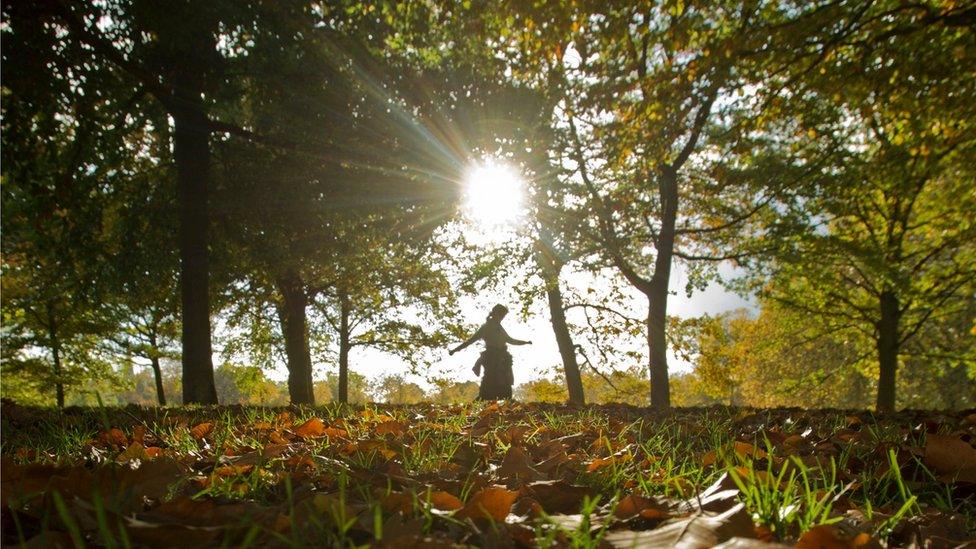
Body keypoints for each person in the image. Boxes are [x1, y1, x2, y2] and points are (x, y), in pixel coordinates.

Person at [449, 304, 531, 400]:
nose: (502, 318)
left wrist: (524, 342)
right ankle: (484, 400)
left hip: (503, 359)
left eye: (503, 316)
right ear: (495, 313)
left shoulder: (500, 327)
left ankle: (505, 401)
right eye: (501, 315)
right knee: (490, 380)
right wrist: (455, 350)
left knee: (505, 381)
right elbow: (470, 341)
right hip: (491, 358)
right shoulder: (486, 327)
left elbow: (510, 340)